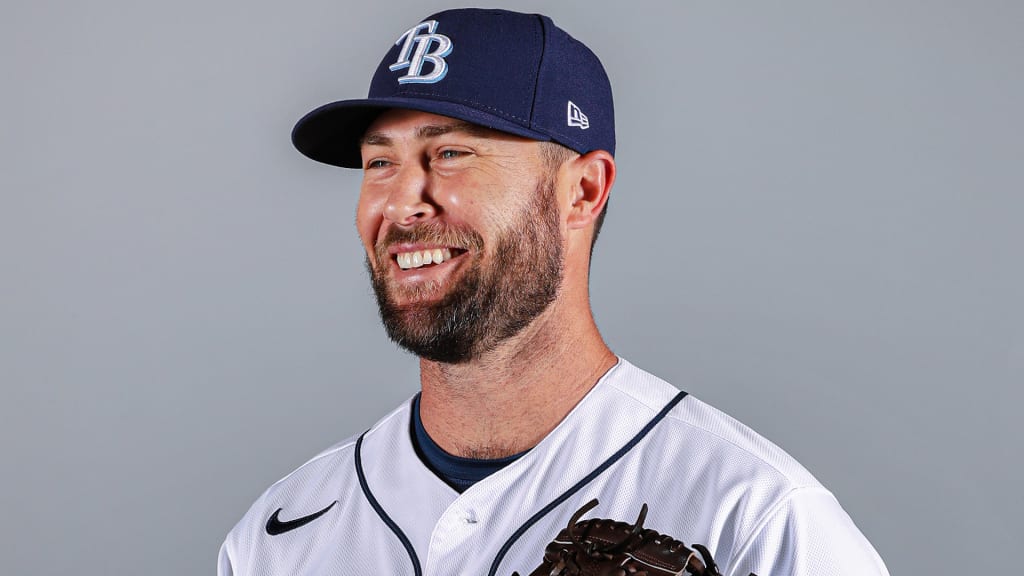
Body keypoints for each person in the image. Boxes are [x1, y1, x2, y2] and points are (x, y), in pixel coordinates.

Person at [219, 8, 889, 575]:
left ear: (583, 190)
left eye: (449, 153)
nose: (401, 203)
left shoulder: (754, 515)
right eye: (380, 162)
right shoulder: (278, 538)